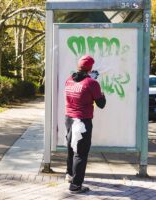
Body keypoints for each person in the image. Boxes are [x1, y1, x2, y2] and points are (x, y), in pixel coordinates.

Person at [65, 55, 106, 193]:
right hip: (82, 121)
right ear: (91, 68)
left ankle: (70, 175)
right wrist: (102, 94)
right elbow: (101, 104)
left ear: (78, 66)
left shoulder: (69, 80)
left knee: (71, 148)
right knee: (81, 153)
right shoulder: (91, 83)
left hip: (69, 119)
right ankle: (76, 186)